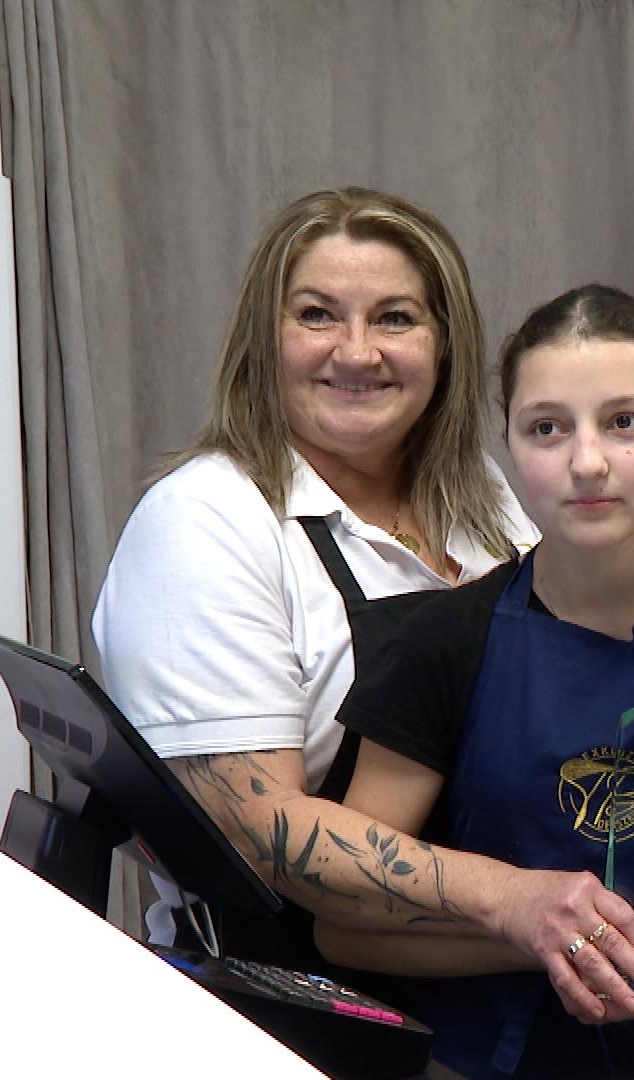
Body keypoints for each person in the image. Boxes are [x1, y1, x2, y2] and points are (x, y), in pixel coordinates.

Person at [314, 285, 634, 1078]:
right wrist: (529, 934)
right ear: (511, 446)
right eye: (547, 428)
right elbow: (346, 923)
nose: (587, 462)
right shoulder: (444, 642)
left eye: (625, 423)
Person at [91, 187, 539, 969]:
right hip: (299, 991)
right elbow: (258, 835)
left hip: (497, 968)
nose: (357, 353)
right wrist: (518, 903)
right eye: (316, 315)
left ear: (445, 343)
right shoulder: (203, 520)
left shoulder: (484, 497)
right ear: (263, 340)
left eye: (395, 318)